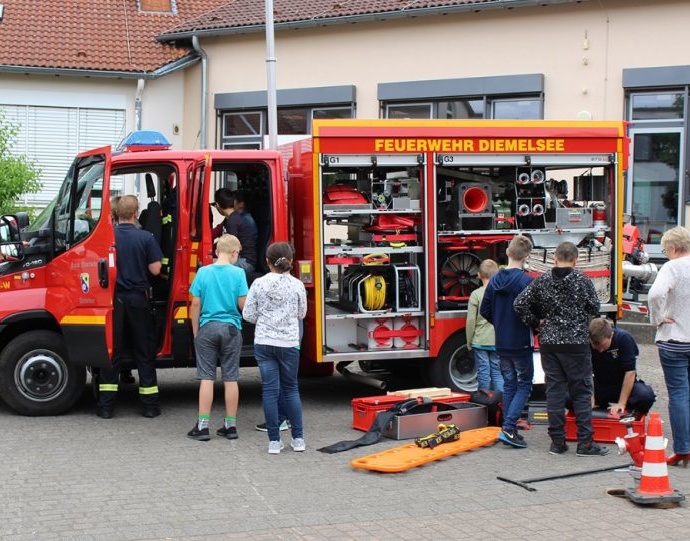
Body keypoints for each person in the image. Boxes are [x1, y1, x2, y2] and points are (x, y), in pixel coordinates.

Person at [514, 241, 607, 457]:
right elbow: (594, 306)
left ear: (554, 258)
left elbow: (519, 304)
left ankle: (557, 442)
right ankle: (585, 444)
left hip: (549, 343)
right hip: (576, 343)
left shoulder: (542, 280)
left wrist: (536, 322)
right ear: (576, 260)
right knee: (582, 392)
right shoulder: (582, 280)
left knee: (554, 391)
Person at [97, 195, 163, 419]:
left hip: (113, 301)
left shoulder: (107, 237)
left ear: (116, 214)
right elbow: (155, 270)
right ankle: (150, 406)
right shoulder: (146, 237)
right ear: (136, 214)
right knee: (144, 352)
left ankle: (106, 407)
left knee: (112, 352)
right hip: (138, 299)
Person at [243, 242, 307, 454]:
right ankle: (298, 439)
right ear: (290, 261)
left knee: (270, 390)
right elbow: (302, 313)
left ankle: (273, 442)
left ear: (267, 261)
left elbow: (248, 315)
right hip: (288, 343)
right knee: (291, 389)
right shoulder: (298, 285)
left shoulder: (259, 284)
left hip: (264, 342)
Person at [187, 234, 248, 441]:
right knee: (231, 377)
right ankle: (230, 427)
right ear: (233, 253)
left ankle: (203, 427)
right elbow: (242, 306)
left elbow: (195, 304)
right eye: (237, 254)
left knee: (207, 377)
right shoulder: (239, 274)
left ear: (216, 251)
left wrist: (196, 330)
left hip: (207, 328)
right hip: (231, 329)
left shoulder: (203, 272)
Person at [480, 235, 534, 448]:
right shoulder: (527, 282)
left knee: (509, 384)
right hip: (521, 340)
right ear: (526, 257)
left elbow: (485, 310)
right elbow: (533, 311)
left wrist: (499, 323)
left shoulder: (494, 280)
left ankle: (506, 427)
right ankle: (510, 428)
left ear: (508, 252)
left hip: (501, 341)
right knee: (525, 384)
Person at [647, 226, 690, 467]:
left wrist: (658, 318)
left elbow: (655, 295)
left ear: (673, 248)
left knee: (679, 395)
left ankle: (683, 449)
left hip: (674, 340)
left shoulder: (672, 267)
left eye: (665, 249)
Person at [589, 318, 655, 416]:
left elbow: (630, 372)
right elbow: (586, 372)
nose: (600, 351)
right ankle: (600, 406)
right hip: (600, 386)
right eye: (596, 347)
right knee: (568, 396)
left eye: (603, 346)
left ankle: (629, 410)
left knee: (645, 396)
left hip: (622, 386)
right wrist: (591, 397)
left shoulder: (623, 338)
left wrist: (621, 403)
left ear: (611, 335)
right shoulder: (586, 342)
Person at [466, 259, 503, 392]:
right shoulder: (501, 293)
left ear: (479, 275)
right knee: (497, 372)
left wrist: (469, 342)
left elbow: (471, 321)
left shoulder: (476, 294)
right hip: (498, 340)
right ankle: (501, 403)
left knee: (483, 372)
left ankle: (486, 402)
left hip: (480, 340)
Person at [212, 188, 258, 274]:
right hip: (241, 259)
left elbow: (230, 247)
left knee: (206, 264)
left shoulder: (233, 221)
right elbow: (217, 233)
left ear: (217, 205)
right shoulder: (230, 219)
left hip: (245, 262)